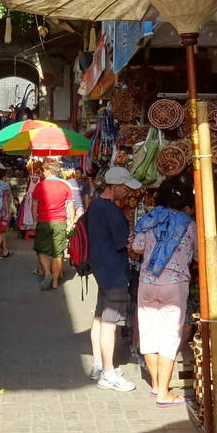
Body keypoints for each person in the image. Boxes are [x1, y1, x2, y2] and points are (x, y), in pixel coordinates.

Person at [131, 179, 196, 406]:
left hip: (148, 281)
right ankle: (163, 393)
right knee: (169, 336)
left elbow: (137, 248)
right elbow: (195, 254)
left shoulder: (148, 220)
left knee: (148, 334)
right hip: (175, 283)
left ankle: (157, 386)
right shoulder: (188, 224)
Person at [86, 166, 142, 391]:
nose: (128, 192)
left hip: (100, 269)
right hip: (114, 272)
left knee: (100, 316)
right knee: (111, 323)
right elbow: (125, 244)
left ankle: (99, 365)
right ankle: (108, 373)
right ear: (115, 186)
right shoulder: (112, 211)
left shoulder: (95, 206)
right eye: (126, 188)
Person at [31, 160, 75, 290]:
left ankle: (48, 273)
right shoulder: (66, 185)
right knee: (58, 252)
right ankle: (55, 282)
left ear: (49, 171)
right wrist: (71, 222)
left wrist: (34, 220)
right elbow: (71, 206)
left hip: (44, 221)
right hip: (60, 222)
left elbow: (34, 206)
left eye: (44, 171)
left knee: (41, 249)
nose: (43, 173)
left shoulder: (40, 186)